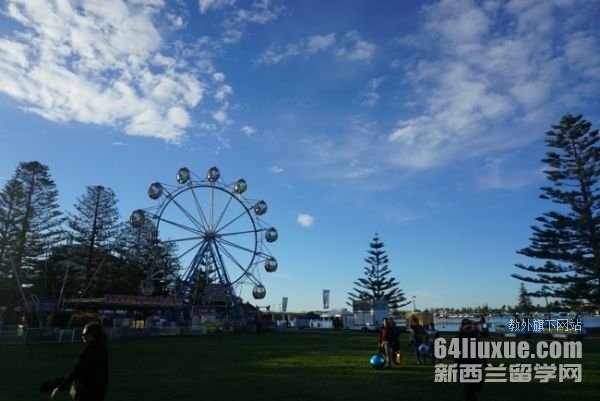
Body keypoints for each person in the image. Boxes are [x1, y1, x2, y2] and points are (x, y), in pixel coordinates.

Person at [51, 322, 109, 401]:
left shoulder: (89, 351)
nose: (82, 336)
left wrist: (59, 388)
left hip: (87, 391)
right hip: (100, 389)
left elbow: (76, 371)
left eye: (84, 334)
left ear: (90, 335)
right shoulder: (102, 347)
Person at [454, 318, 484, 401]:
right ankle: (470, 396)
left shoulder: (474, 335)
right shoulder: (458, 338)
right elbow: (456, 355)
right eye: (467, 328)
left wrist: (484, 361)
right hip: (465, 365)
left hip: (476, 363)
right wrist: (458, 367)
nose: (468, 329)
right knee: (469, 385)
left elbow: (479, 349)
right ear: (462, 327)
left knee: (479, 382)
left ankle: (470, 394)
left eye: (470, 327)